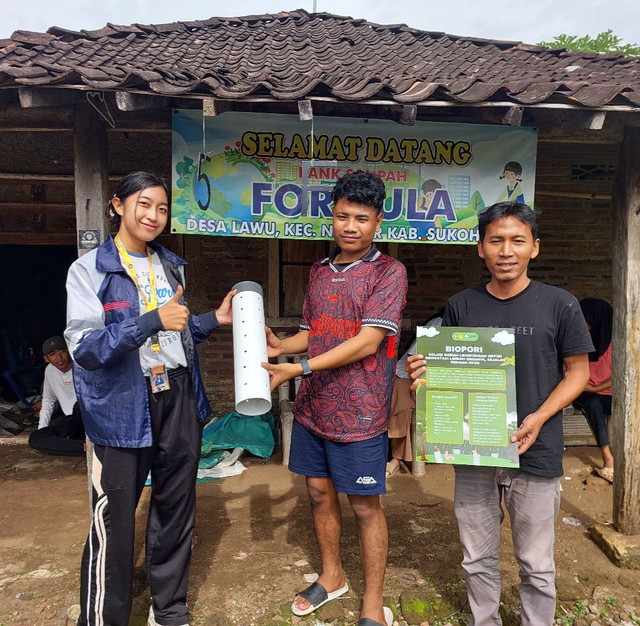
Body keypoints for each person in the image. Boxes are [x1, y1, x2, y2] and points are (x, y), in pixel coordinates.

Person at [407, 201, 593, 626]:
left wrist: (540, 416)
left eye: (517, 240)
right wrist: (425, 374)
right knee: (476, 558)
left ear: (535, 248)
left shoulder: (559, 304)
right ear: (480, 248)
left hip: (537, 446)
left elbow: (578, 373)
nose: (506, 250)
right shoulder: (461, 305)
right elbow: (447, 369)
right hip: (477, 449)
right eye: (496, 240)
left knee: (537, 564)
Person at [64, 171, 236, 626]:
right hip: (122, 403)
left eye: (162, 208)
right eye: (144, 204)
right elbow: (85, 350)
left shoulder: (170, 264)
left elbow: (175, 333)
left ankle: (169, 609)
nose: (153, 216)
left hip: (175, 394)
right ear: (117, 206)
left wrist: (212, 319)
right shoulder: (90, 270)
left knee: (176, 507)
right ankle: (104, 617)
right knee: (115, 517)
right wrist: (148, 322)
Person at [262, 171, 407, 626]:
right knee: (318, 492)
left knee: (364, 505)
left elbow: (368, 341)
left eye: (361, 219)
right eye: (342, 216)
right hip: (314, 408)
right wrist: (280, 346)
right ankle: (332, 576)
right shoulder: (320, 271)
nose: (350, 226)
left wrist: (299, 369)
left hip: (361, 412)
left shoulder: (389, 272)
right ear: (332, 216)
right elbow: (314, 332)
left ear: (378, 222)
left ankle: (372, 600)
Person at [386, 308, 444, 478]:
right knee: (405, 403)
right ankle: (397, 458)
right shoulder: (439, 324)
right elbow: (414, 360)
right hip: (410, 375)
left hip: (446, 380)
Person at [573, 297, 614, 482]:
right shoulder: (576, 340)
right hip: (583, 391)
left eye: (586, 319)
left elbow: (621, 376)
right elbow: (569, 370)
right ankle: (608, 458)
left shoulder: (613, 344)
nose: (583, 324)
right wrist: (586, 386)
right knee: (594, 404)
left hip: (608, 390)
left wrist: (598, 386)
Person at [28, 336, 85, 456]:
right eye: (53, 354)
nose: (59, 357)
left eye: (62, 352)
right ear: (46, 358)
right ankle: (84, 447)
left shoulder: (82, 366)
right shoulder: (50, 371)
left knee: (79, 405)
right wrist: (42, 428)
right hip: (71, 421)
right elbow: (48, 400)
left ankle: (78, 447)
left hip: (88, 417)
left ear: (69, 352)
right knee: (36, 438)